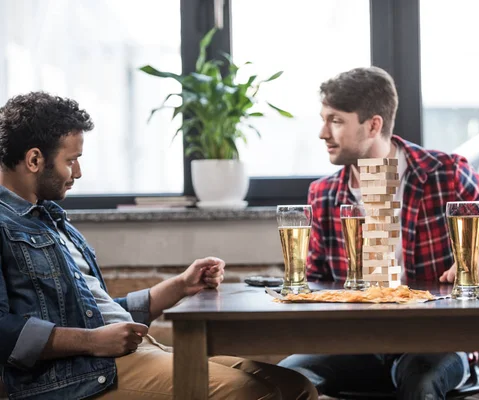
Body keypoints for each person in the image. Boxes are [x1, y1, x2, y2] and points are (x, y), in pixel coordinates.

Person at [0, 92, 318, 400]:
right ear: (34, 159)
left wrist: (181, 285)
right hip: (78, 376)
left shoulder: (49, 217)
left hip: (125, 353)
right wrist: (93, 341)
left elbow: (98, 312)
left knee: (296, 387)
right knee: (251, 393)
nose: (79, 173)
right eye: (71, 161)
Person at [278, 67, 479, 399]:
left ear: (373, 125)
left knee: (421, 385)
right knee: (284, 379)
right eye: (323, 119)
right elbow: (316, 282)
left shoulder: (443, 173)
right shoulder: (324, 194)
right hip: (355, 343)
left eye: (336, 121)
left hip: (436, 340)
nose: (322, 133)